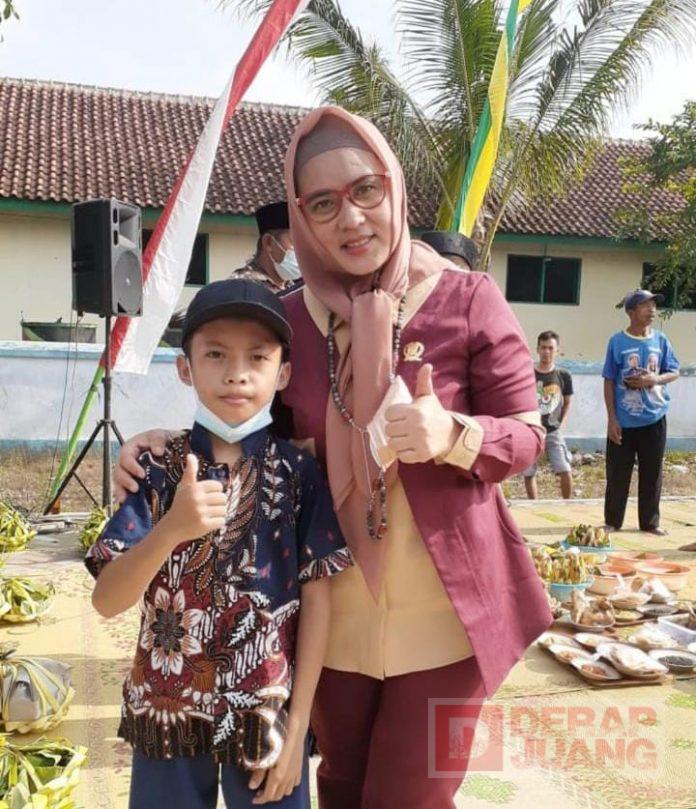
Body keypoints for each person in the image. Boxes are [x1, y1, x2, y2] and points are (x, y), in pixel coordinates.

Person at [114, 107, 552, 809]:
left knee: (409, 796)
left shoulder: (468, 301)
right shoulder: (290, 319)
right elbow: (252, 426)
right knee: (342, 788)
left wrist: (457, 436)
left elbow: (527, 434)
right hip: (330, 618)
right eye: (323, 203)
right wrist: (163, 444)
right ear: (302, 217)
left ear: (394, 189)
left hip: (446, 616)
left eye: (365, 191)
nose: (350, 219)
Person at [87, 279, 353, 809]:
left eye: (257, 357)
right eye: (214, 355)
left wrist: (299, 728)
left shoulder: (300, 473)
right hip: (166, 715)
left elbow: (319, 598)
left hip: (266, 711)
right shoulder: (157, 471)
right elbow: (107, 600)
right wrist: (171, 530)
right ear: (185, 368)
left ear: (283, 374)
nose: (236, 373)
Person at [603, 289, 680, 536]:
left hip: (655, 418)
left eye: (654, 306)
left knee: (652, 472)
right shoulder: (617, 342)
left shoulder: (661, 340)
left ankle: (650, 523)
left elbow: (675, 371)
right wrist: (612, 419)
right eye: (646, 306)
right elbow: (608, 380)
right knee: (617, 473)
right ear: (631, 312)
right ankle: (613, 521)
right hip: (624, 420)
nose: (652, 310)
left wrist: (654, 379)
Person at [522, 331, 574, 499]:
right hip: (531, 429)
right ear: (537, 349)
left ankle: (568, 505)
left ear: (557, 350)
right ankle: (534, 505)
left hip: (553, 430)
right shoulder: (527, 373)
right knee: (529, 472)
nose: (546, 352)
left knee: (564, 469)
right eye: (543, 348)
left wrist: (564, 422)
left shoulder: (563, 375)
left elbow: (567, 402)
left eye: (550, 348)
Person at [233, 202, 301, 292]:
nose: (302, 251)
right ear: (268, 242)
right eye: (295, 241)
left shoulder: (294, 288)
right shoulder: (242, 289)